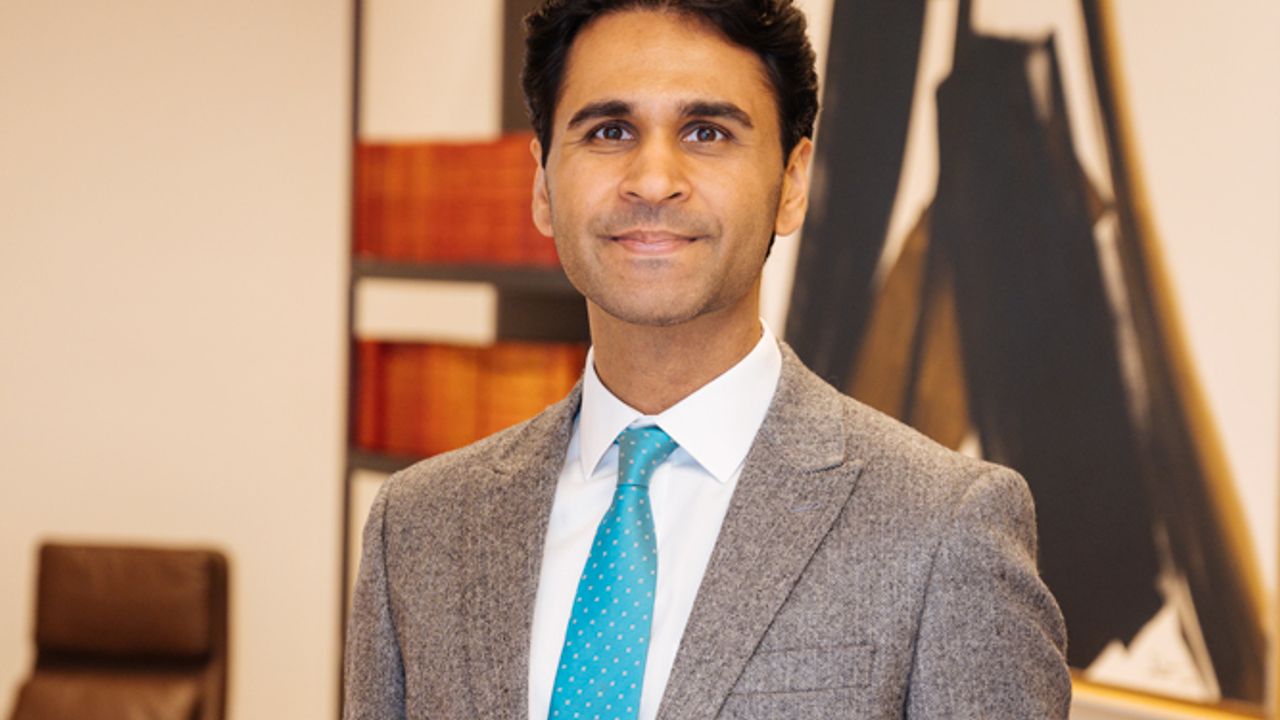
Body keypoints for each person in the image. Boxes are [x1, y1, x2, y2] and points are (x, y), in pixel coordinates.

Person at [343, 1, 1071, 718]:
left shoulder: (943, 529)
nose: (653, 180)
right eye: (609, 131)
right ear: (542, 185)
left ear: (792, 183)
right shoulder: (418, 528)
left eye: (706, 132)